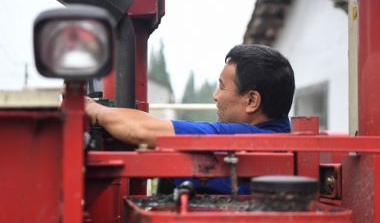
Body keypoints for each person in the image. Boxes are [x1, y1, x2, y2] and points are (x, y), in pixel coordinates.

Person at [85, 44, 295, 194]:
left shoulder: (238, 136)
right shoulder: (282, 139)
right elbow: (149, 126)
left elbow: (141, 130)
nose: (215, 96)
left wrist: (92, 109)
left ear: (251, 100)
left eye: (222, 86)